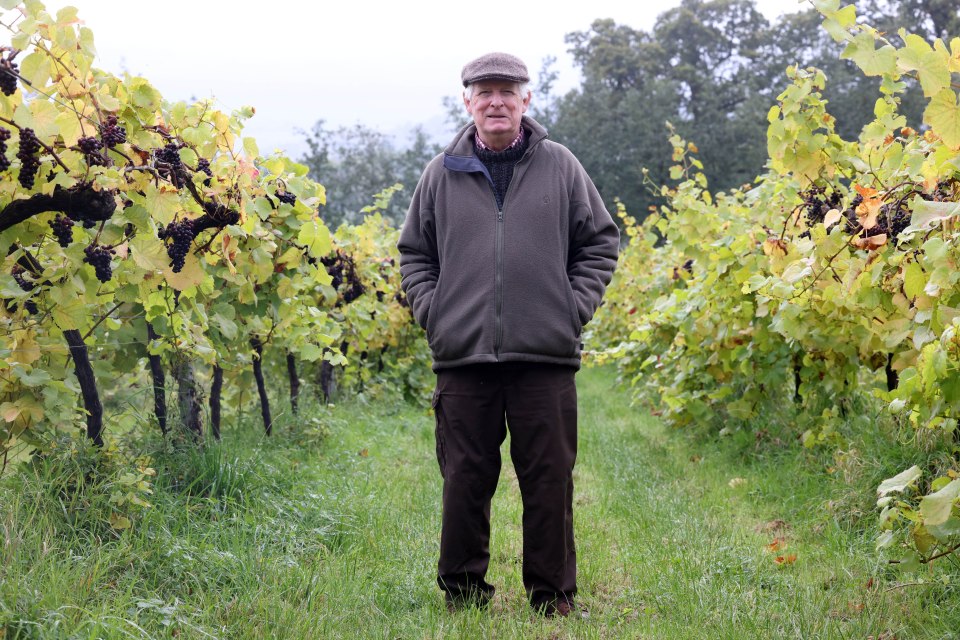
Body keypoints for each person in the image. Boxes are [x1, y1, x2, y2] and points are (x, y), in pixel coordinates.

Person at [397, 52, 619, 618]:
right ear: (467, 101)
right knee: (465, 478)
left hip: (544, 355)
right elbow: (415, 254)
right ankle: (464, 593)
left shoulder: (562, 166)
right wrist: (435, 312)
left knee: (548, 480)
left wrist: (571, 309)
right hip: (463, 357)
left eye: (508, 90)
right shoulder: (440, 172)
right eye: (484, 91)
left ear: (526, 100)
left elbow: (599, 242)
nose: (496, 100)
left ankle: (553, 596)